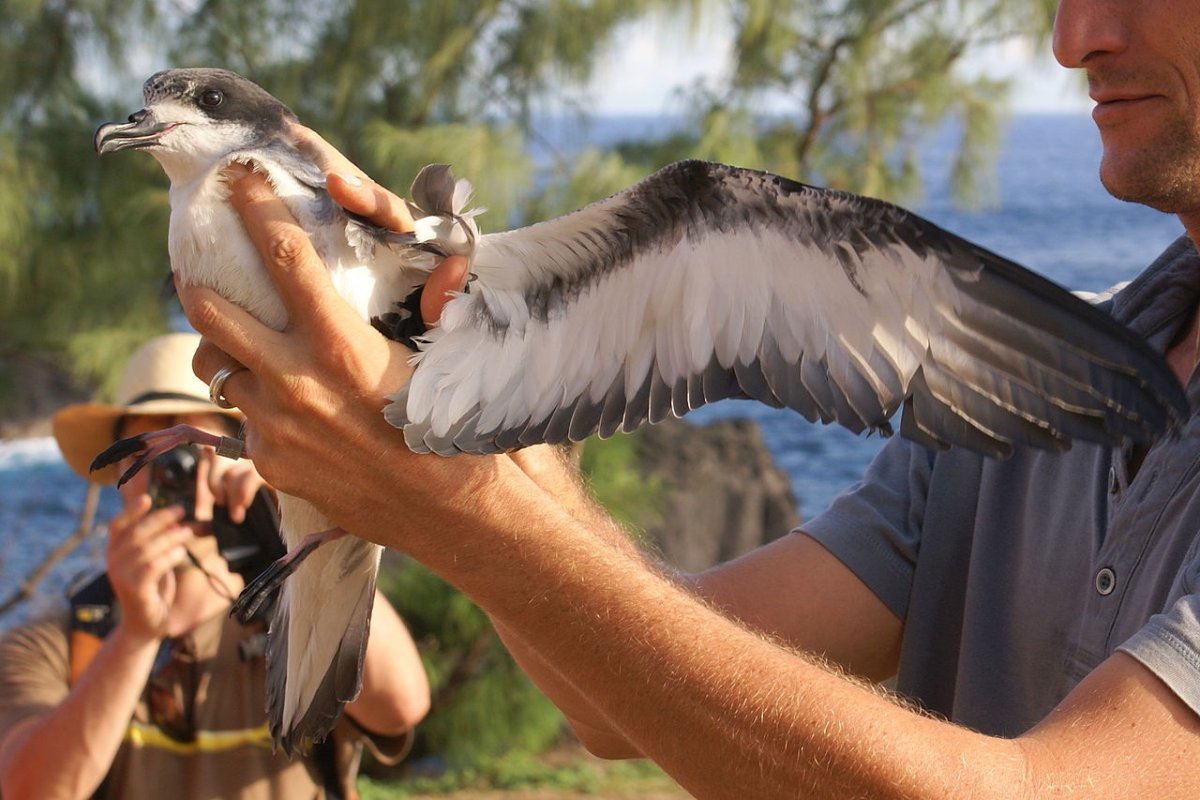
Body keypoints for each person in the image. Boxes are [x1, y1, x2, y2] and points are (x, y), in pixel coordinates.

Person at [175, 0, 1200, 796]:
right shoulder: (1029, 392)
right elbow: (619, 697)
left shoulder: (1028, 372)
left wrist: (454, 504)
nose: (1074, 40)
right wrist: (469, 376)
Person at [0, 333, 430, 799]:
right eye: (148, 453)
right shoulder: (56, 643)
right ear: (118, 475)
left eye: (194, 447)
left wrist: (288, 522)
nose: (175, 475)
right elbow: (28, 790)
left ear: (247, 454)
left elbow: (399, 705)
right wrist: (135, 636)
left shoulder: (303, 617)